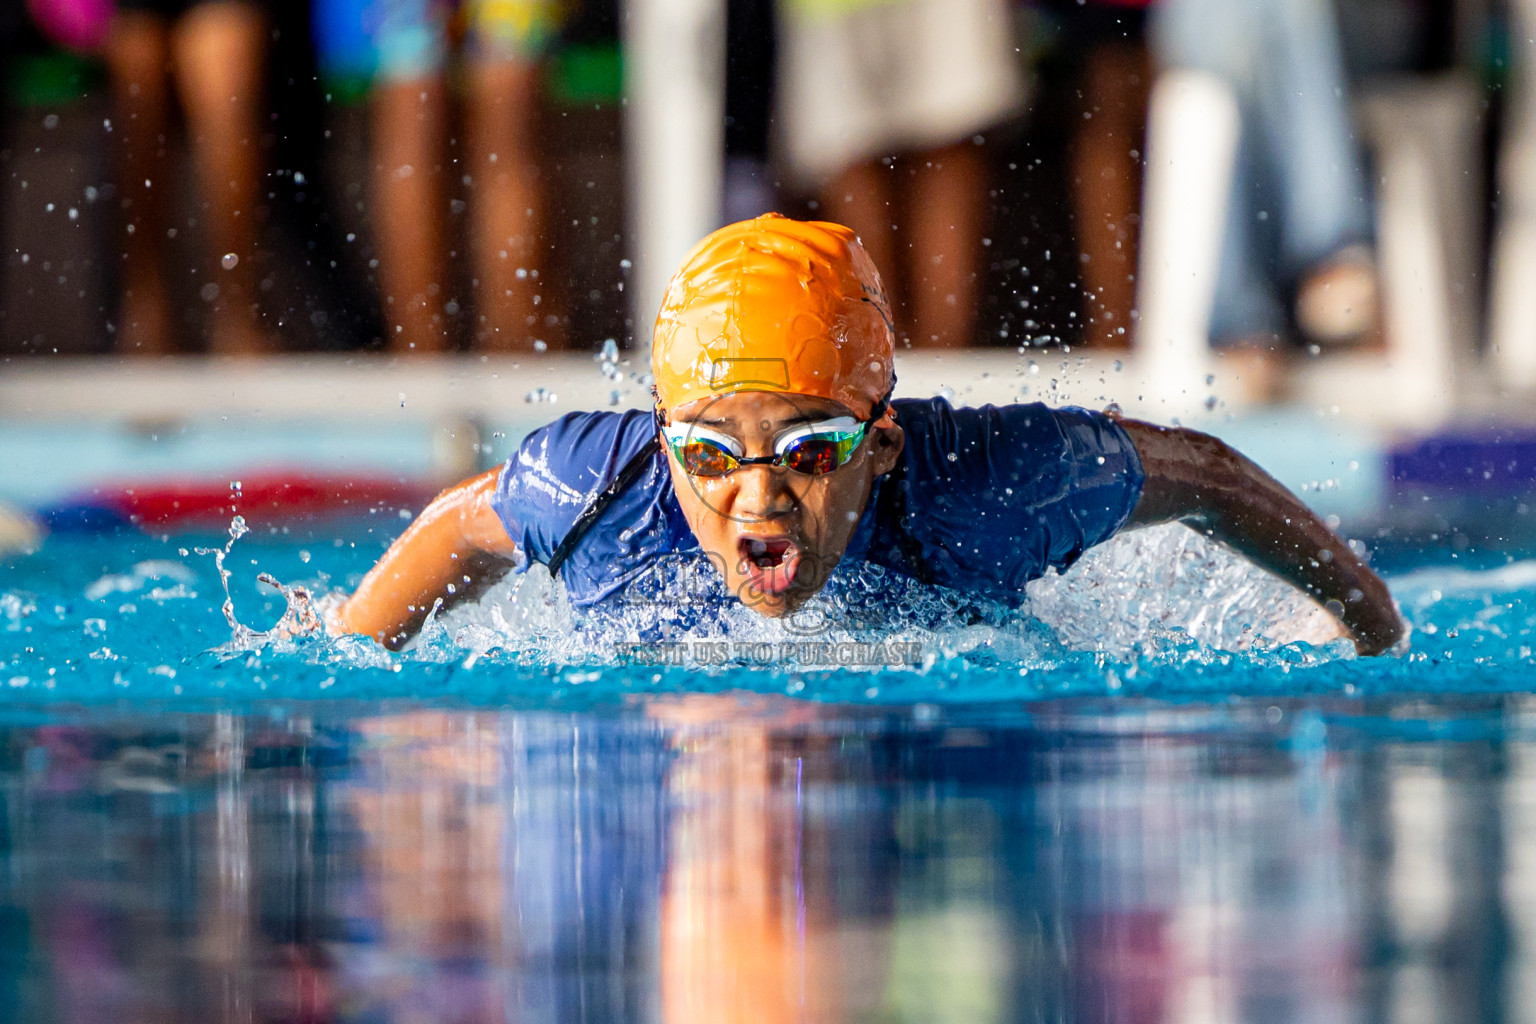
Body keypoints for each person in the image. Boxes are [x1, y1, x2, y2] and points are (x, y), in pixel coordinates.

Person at [332, 214, 1404, 655]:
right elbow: (461, 526)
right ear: (665, 448)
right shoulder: (597, 492)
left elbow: (1206, 474)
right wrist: (346, 658)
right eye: (709, 454)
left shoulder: (985, 490)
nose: (758, 500)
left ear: (881, 444)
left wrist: (1374, 630)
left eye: (808, 450)